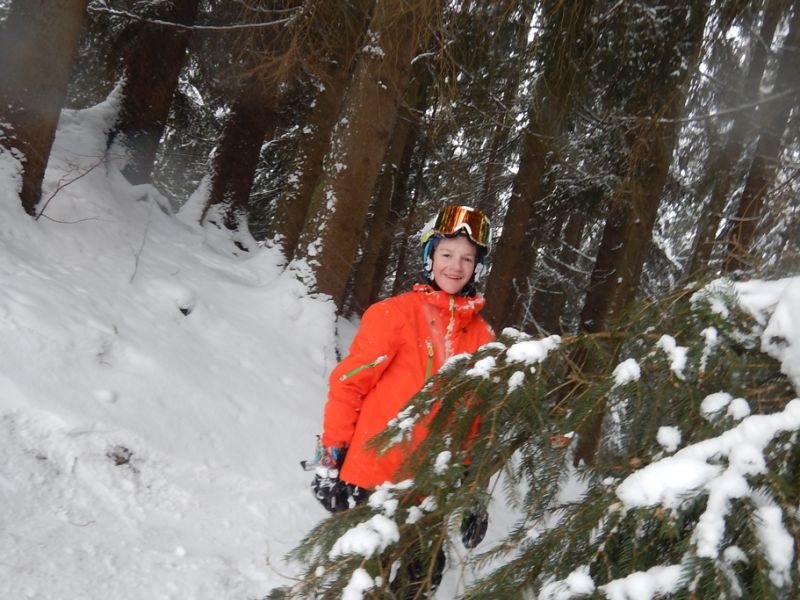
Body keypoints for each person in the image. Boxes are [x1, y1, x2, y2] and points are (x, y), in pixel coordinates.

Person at [311, 205, 495, 593]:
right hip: (374, 480)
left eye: (467, 258)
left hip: (431, 491)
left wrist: (476, 493)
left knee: (419, 584)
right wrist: (330, 460)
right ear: (430, 257)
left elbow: (479, 422)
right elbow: (349, 387)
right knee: (363, 584)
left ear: (477, 267)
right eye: (446, 254)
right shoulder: (393, 315)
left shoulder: (483, 339)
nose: (455, 266)